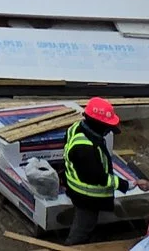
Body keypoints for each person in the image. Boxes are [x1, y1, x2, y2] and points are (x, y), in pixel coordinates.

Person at [61, 97, 124, 243]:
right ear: (98, 124)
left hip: (74, 184)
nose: (108, 131)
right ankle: (73, 246)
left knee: (85, 222)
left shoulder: (77, 128)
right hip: (86, 195)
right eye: (107, 127)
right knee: (83, 226)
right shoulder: (86, 149)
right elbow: (96, 177)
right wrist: (122, 184)